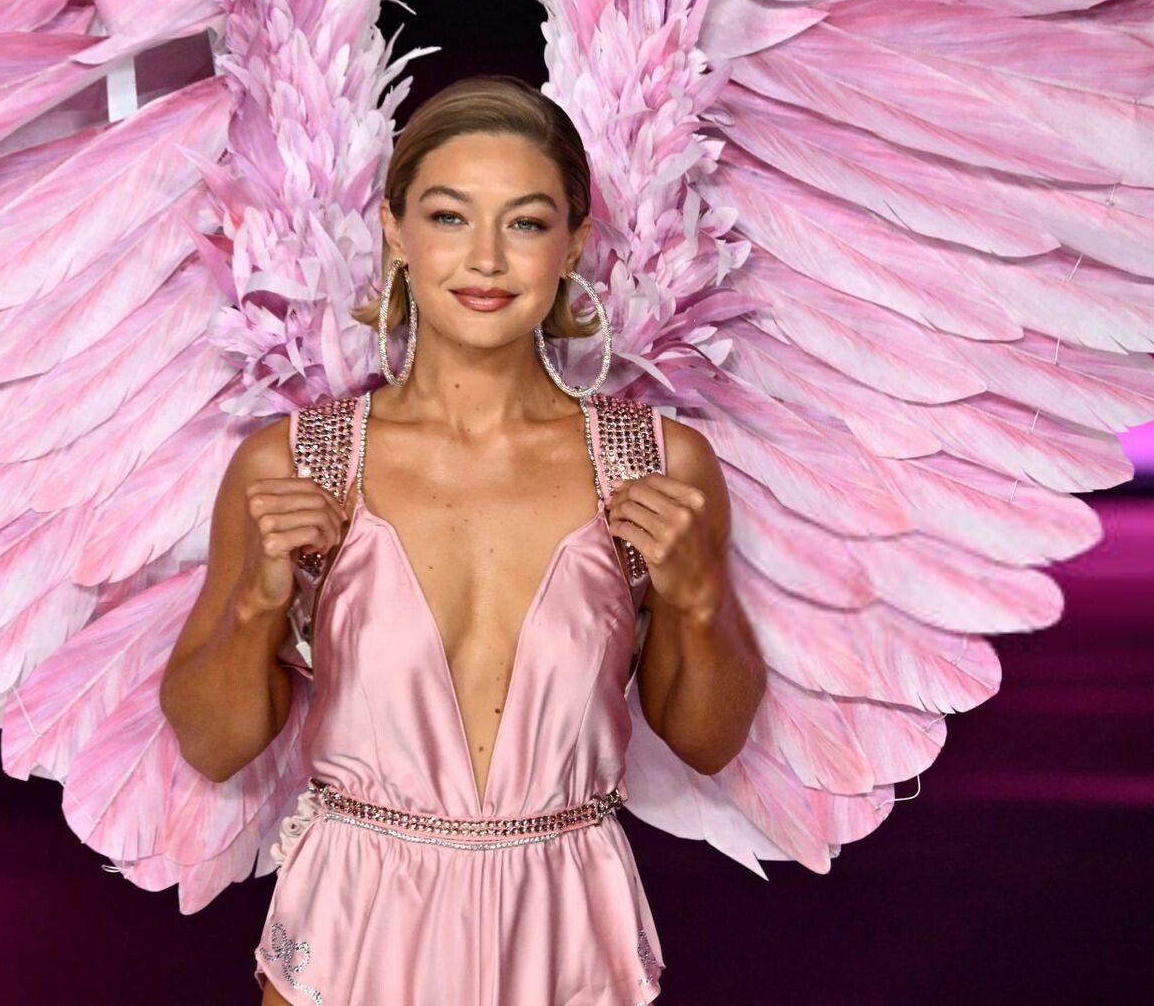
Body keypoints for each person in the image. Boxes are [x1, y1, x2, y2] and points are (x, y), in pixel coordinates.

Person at [160, 76, 767, 1004]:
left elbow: (711, 743)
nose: (486, 258)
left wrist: (697, 600)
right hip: (350, 938)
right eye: (449, 217)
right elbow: (213, 747)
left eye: (526, 223)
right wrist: (255, 607)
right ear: (396, 230)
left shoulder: (655, 466)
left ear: (575, 243)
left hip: (566, 940)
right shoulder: (299, 464)